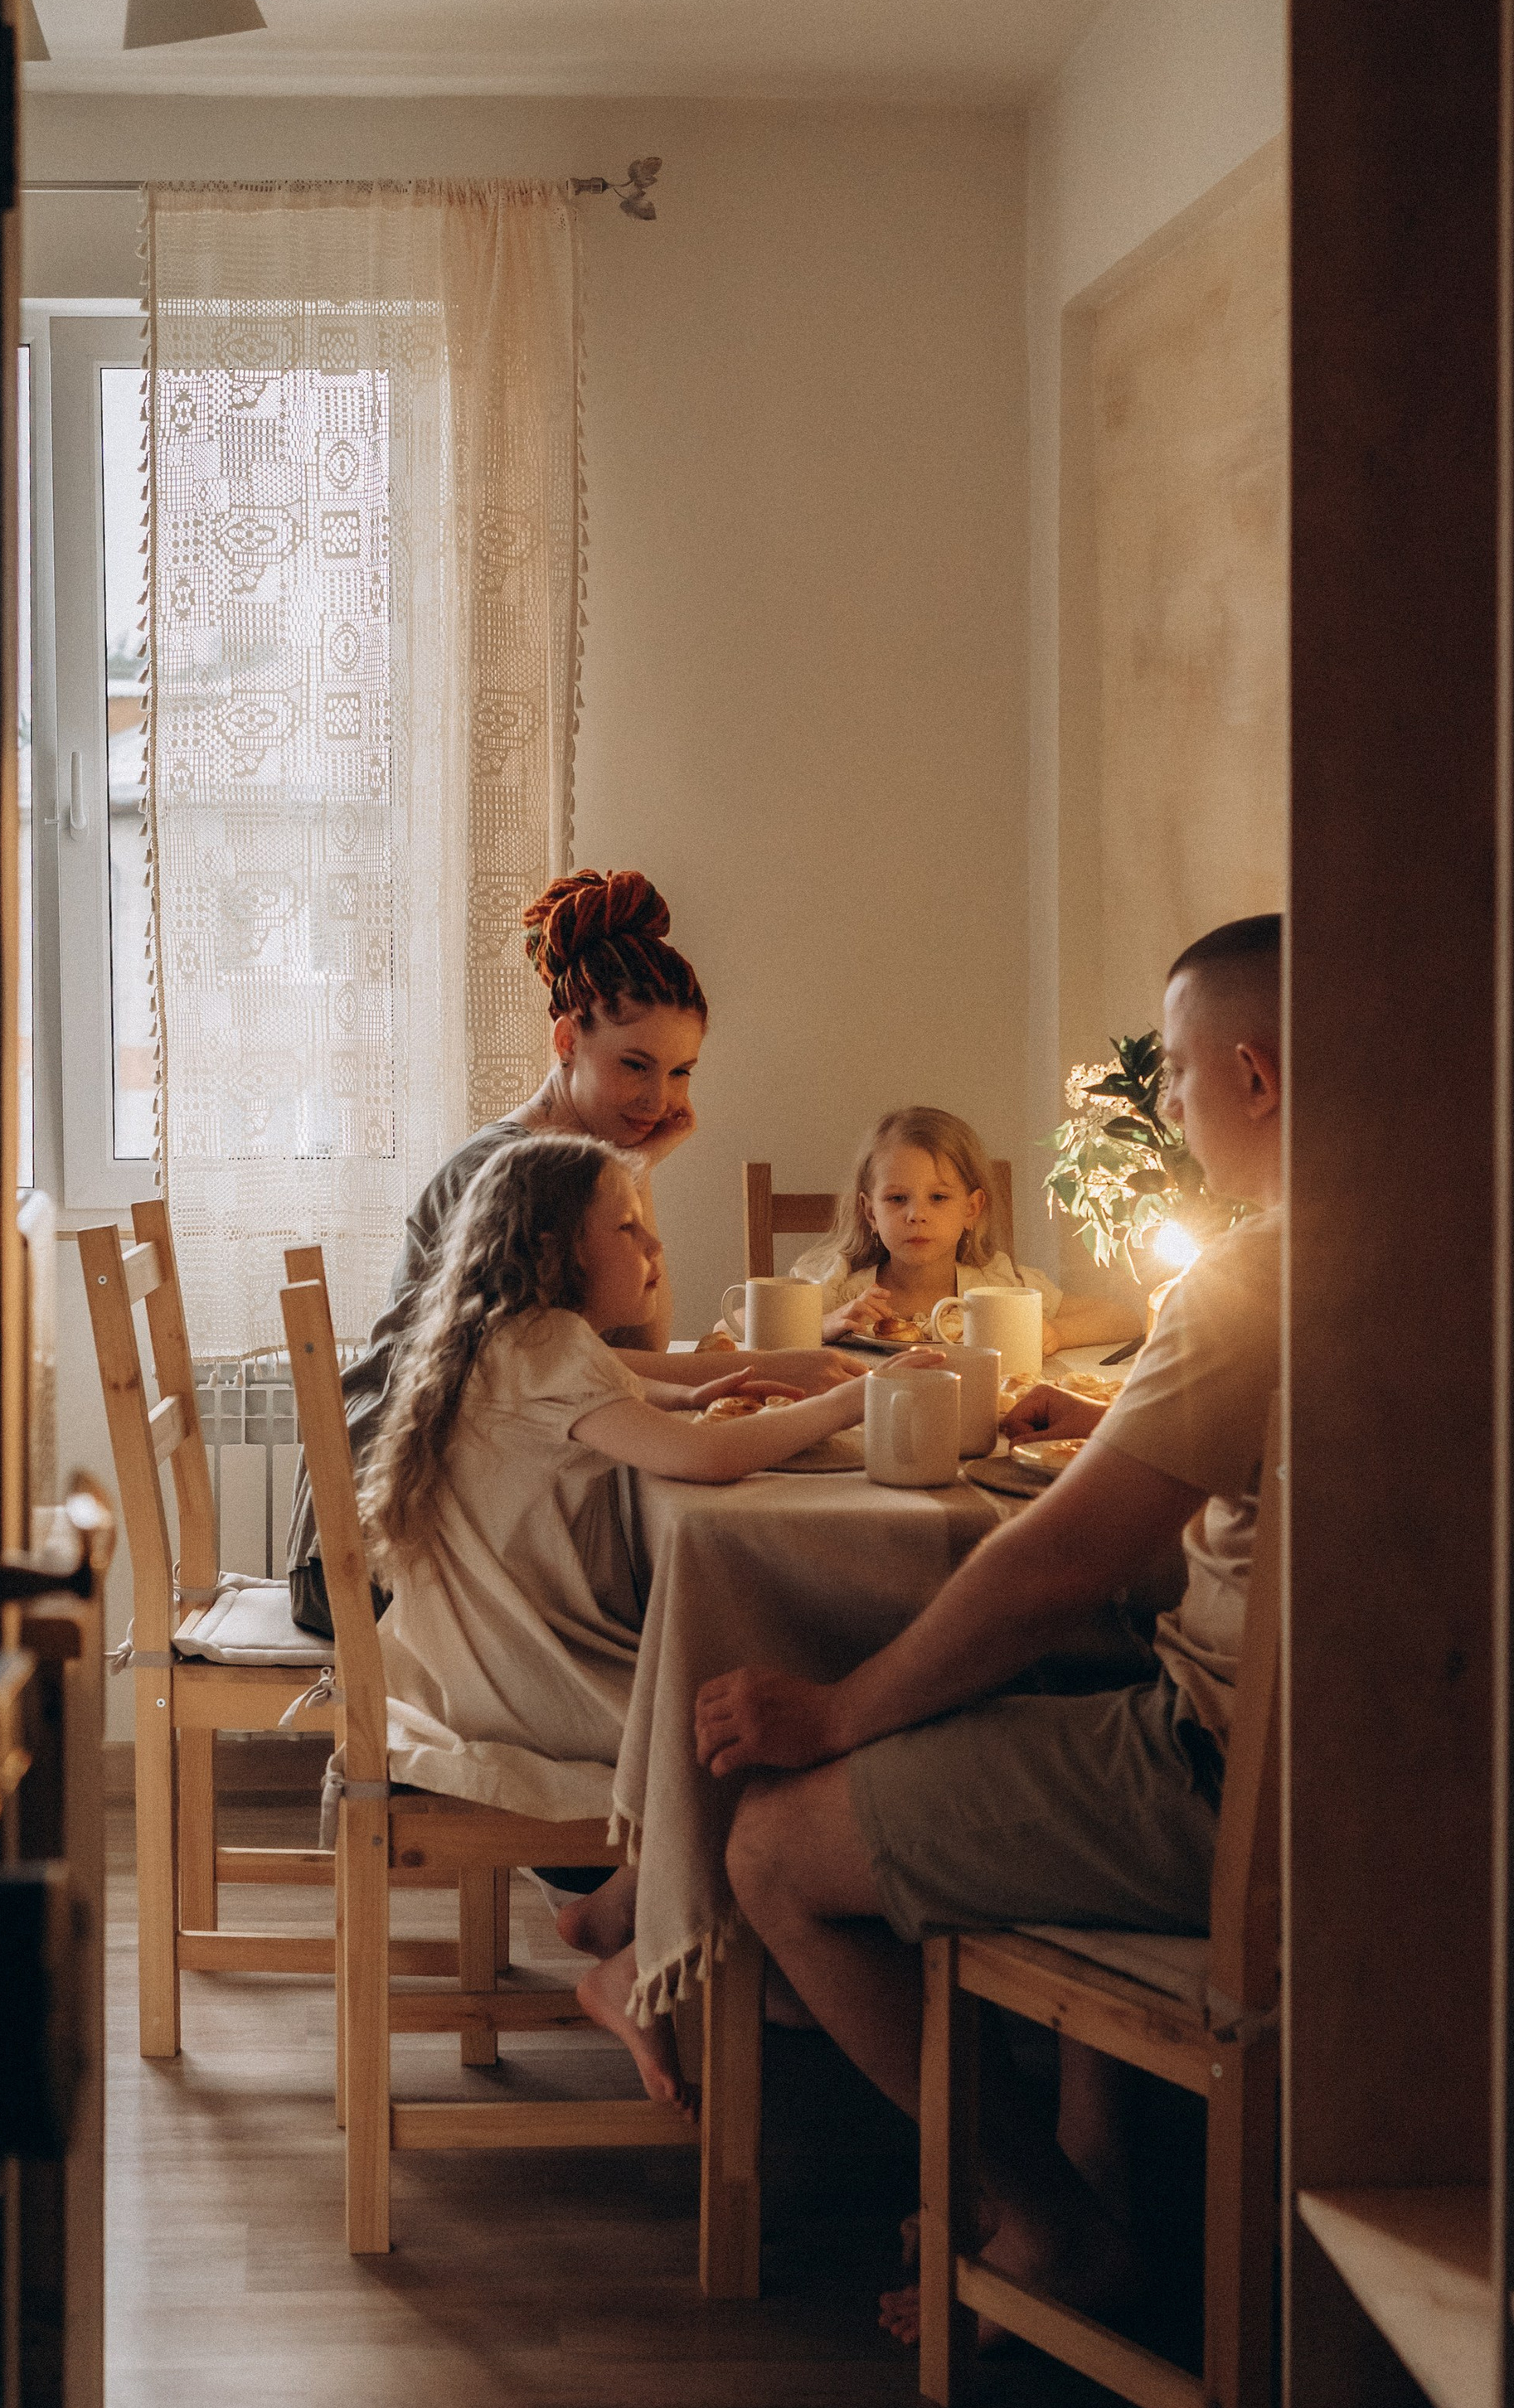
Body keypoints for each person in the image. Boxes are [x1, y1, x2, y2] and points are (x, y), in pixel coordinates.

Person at [693, 916, 1283, 2333]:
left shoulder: (1257, 1272)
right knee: (1014, 1718)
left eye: (1184, 1087)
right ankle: (1086, 2165)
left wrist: (837, 1711)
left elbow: (1050, 1574)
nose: (1180, 1119)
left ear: (1253, 1078)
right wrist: (1113, 1419)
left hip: (1225, 1784)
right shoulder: (1423, 1241)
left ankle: (1053, 2223)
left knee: (771, 1841)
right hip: (1378, 1784)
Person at [361, 1131, 923, 2116]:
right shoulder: (545, 1346)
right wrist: (858, 1401)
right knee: (751, 1729)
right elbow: (699, 1460)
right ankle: (643, 1958)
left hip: (463, 1662)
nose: (651, 1250)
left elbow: (650, 1384)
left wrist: (755, 1374)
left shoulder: (514, 1337)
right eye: (624, 1228)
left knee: (741, 1702)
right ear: (552, 1250)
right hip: (526, 1686)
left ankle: (621, 1911)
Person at [284, 867, 855, 1640]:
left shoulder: (588, 1176)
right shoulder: (506, 1178)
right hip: (373, 1550)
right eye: (635, 1065)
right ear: (566, 1041)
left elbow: (627, 1343)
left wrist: (638, 1170)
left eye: (680, 1071)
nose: (661, 1100)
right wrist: (775, 1372)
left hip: (453, 1536)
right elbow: (549, 1363)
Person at [793, 1106, 1137, 1354]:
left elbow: (1124, 1317)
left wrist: (1055, 1333)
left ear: (971, 1209)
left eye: (938, 1197)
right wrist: (823, 1325)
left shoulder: (997, 1287)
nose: (916, 1215)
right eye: (897, 1198)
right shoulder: (840, 1286)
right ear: (870, 1213)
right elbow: (743, 1319)